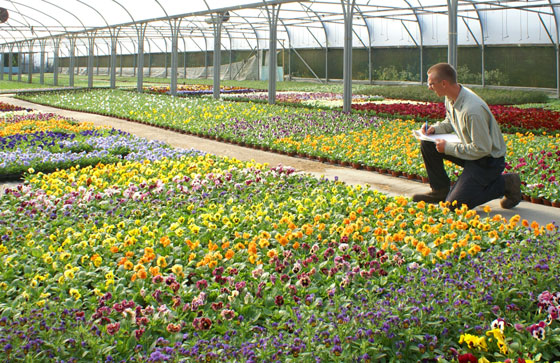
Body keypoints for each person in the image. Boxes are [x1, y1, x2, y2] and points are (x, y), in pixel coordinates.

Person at [412, 62, 522, 209]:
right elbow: (450, 121)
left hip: (487, 160)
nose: (429, 87)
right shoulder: (451, 97)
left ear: (444, 83)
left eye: (431, 84)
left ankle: (506, 184)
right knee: (428, 144)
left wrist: (448, 148)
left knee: (454, 206)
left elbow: (482, 149)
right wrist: (434, 129)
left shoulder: (472, 110)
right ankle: (440, 190)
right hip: (472, 152)